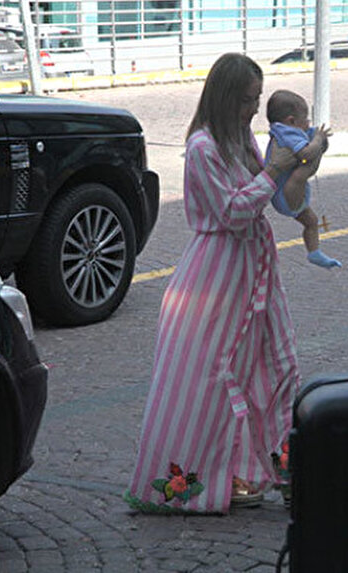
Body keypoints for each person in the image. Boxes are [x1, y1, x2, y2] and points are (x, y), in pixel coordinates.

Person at [124, 53, 313, 514]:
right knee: (211, 378)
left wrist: (295, 168)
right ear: (227, 98)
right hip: (218, 274)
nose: (254, 110)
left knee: (278, 363)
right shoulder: (202, 148)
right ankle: (203, 481)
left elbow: (266, 192)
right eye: (248, 100)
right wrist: (272, 172)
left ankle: (281, 469)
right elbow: (231, 211)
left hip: (254, 266)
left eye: (258, 99)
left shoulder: (239, 138)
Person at [265, 89, 341, 269]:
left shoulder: (282, 131)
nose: (307, 123)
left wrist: (318, 141)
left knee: (311, 221)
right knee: (303, 171)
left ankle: (314, 252)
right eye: (305, 119)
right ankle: (314, 252)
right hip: (287, 193)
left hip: (284, 195)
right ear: (291, 121)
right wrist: (318, 140)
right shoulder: (287, 132)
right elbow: (305, 153)